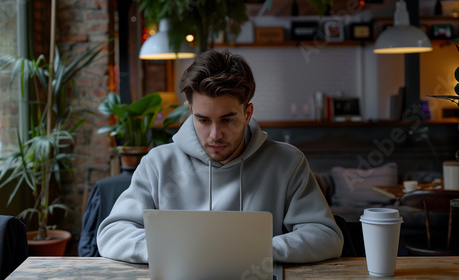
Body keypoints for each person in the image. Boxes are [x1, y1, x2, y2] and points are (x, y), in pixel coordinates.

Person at [97, 49, 343, 263]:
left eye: (228, 119)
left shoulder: (287, 162)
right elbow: (112, 234)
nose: (215, 135)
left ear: (247, 114)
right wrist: (177, 251)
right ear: (191, 111)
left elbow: (327, 237)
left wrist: (253, 252)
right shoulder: (158, 163)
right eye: (203, 120)